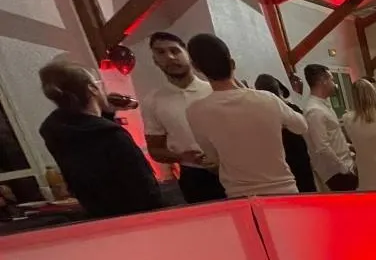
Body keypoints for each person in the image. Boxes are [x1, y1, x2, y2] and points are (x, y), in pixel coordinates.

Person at [184, 34, 306, 199]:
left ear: (196, 67)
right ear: (232, 63)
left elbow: (213, 157)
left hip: (241, 195)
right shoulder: (266, 99)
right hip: (284, 190)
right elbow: (301, 126)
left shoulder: (196, 111)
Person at [37, 61, 163, 219]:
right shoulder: (111, 134)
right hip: (135, 215)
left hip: (96, 213)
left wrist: (106, 113)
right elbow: (145, 188)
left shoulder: (55, 132)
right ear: (92, 88)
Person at [141, 31, 225, 203]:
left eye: (175, 50)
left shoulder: (214, 89)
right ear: (155, 60)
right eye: (161, 53)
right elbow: (155, 149)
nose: (170, 57)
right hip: (194, 176)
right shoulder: (153, 101)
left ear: (187, 54)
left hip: (232, 168)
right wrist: (183, 157)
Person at [254, 74, 317, 192]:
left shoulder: (260, 114)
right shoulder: (291, 109)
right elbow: (304, 128)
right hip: (298, 157)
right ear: (280, 91)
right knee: (307, 190)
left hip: (279, 161)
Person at [302, 64, 358, 191]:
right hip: (336, 172)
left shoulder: (324, 106)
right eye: (332, 80)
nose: (334, 84)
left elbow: (332, 137)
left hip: (345, 165)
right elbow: (322, 146)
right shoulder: (314, 110)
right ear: (323, 81)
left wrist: (348, 147)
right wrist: (343, 168)